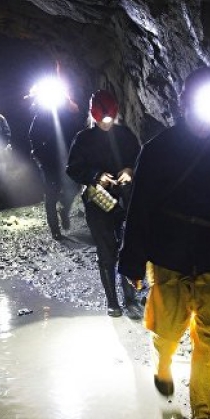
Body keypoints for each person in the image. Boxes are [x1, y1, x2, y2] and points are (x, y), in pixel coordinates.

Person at [117, 67, 210, 419]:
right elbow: (140, 208)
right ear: (185, 103)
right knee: (168, 331)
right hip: (170, 255)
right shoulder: (159, 149)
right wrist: (133, 260)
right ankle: (163, 364)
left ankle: (205, 414)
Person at [67, 90, 141, 317]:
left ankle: (130, 298)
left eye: (110, 119)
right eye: (102, 120)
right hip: (98, 202)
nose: (106, 123)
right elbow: (72, 169)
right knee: (106, 249)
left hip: (124, 200)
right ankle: (113, 302)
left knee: (127, 246)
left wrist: (129, 170)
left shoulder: (125, 135)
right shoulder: (83, 139)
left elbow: (139, 159)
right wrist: (96, 175)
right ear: (94, 116)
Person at [28, 93, 82, 239]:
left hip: (67, 159)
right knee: (51, 195)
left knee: (75, 186)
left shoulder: (65, 114)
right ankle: (55, 229)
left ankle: (64, 209)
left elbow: (76, 129)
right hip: (49, 162)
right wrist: (41, 156)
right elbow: (33, 138)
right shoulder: (40, 117)